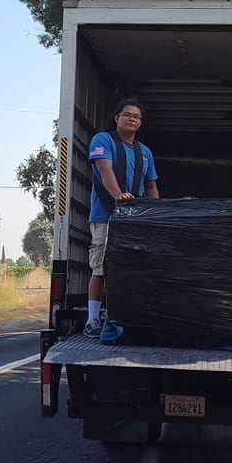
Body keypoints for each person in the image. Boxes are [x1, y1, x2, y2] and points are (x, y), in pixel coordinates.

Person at [85, 97, 159, 337]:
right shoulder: (103, 140)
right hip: (105, 216)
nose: (132, 119)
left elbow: (150, 186)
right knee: (100, 267)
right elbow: (104, 169)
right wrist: (118, 196)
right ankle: (93, 319)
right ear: (117, 117)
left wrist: (155, 215)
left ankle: (122, 314)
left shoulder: (144, 152)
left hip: (133, 220)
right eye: (127, 115)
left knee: (129, 268)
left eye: (136, 117)